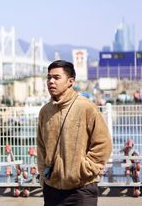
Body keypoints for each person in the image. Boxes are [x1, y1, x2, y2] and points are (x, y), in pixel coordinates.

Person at [37, 60, 112, 206]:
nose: (51, 81)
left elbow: (103, 144)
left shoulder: (86, 107)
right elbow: (41, 146)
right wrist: (43, 175)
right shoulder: (45, 111)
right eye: (48, 77)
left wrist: (83, 169)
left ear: (70, 81)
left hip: (81, 190)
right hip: (52, 189)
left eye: (56, 77)